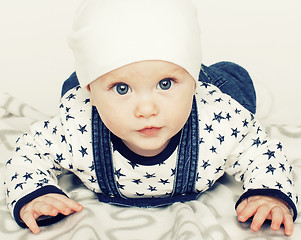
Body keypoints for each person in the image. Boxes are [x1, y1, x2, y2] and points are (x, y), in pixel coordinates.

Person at [4, 0, 297, 236]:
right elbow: (29, 152)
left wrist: (268, 193)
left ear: (193, 82)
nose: (146, 109)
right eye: (121, 89)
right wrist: (34, 192)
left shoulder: (219, 119)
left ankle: (191, 72)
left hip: (208, 91)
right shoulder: (76, 125)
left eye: (165, 84)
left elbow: (262, 151)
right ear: (91, 92)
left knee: (236, 90)